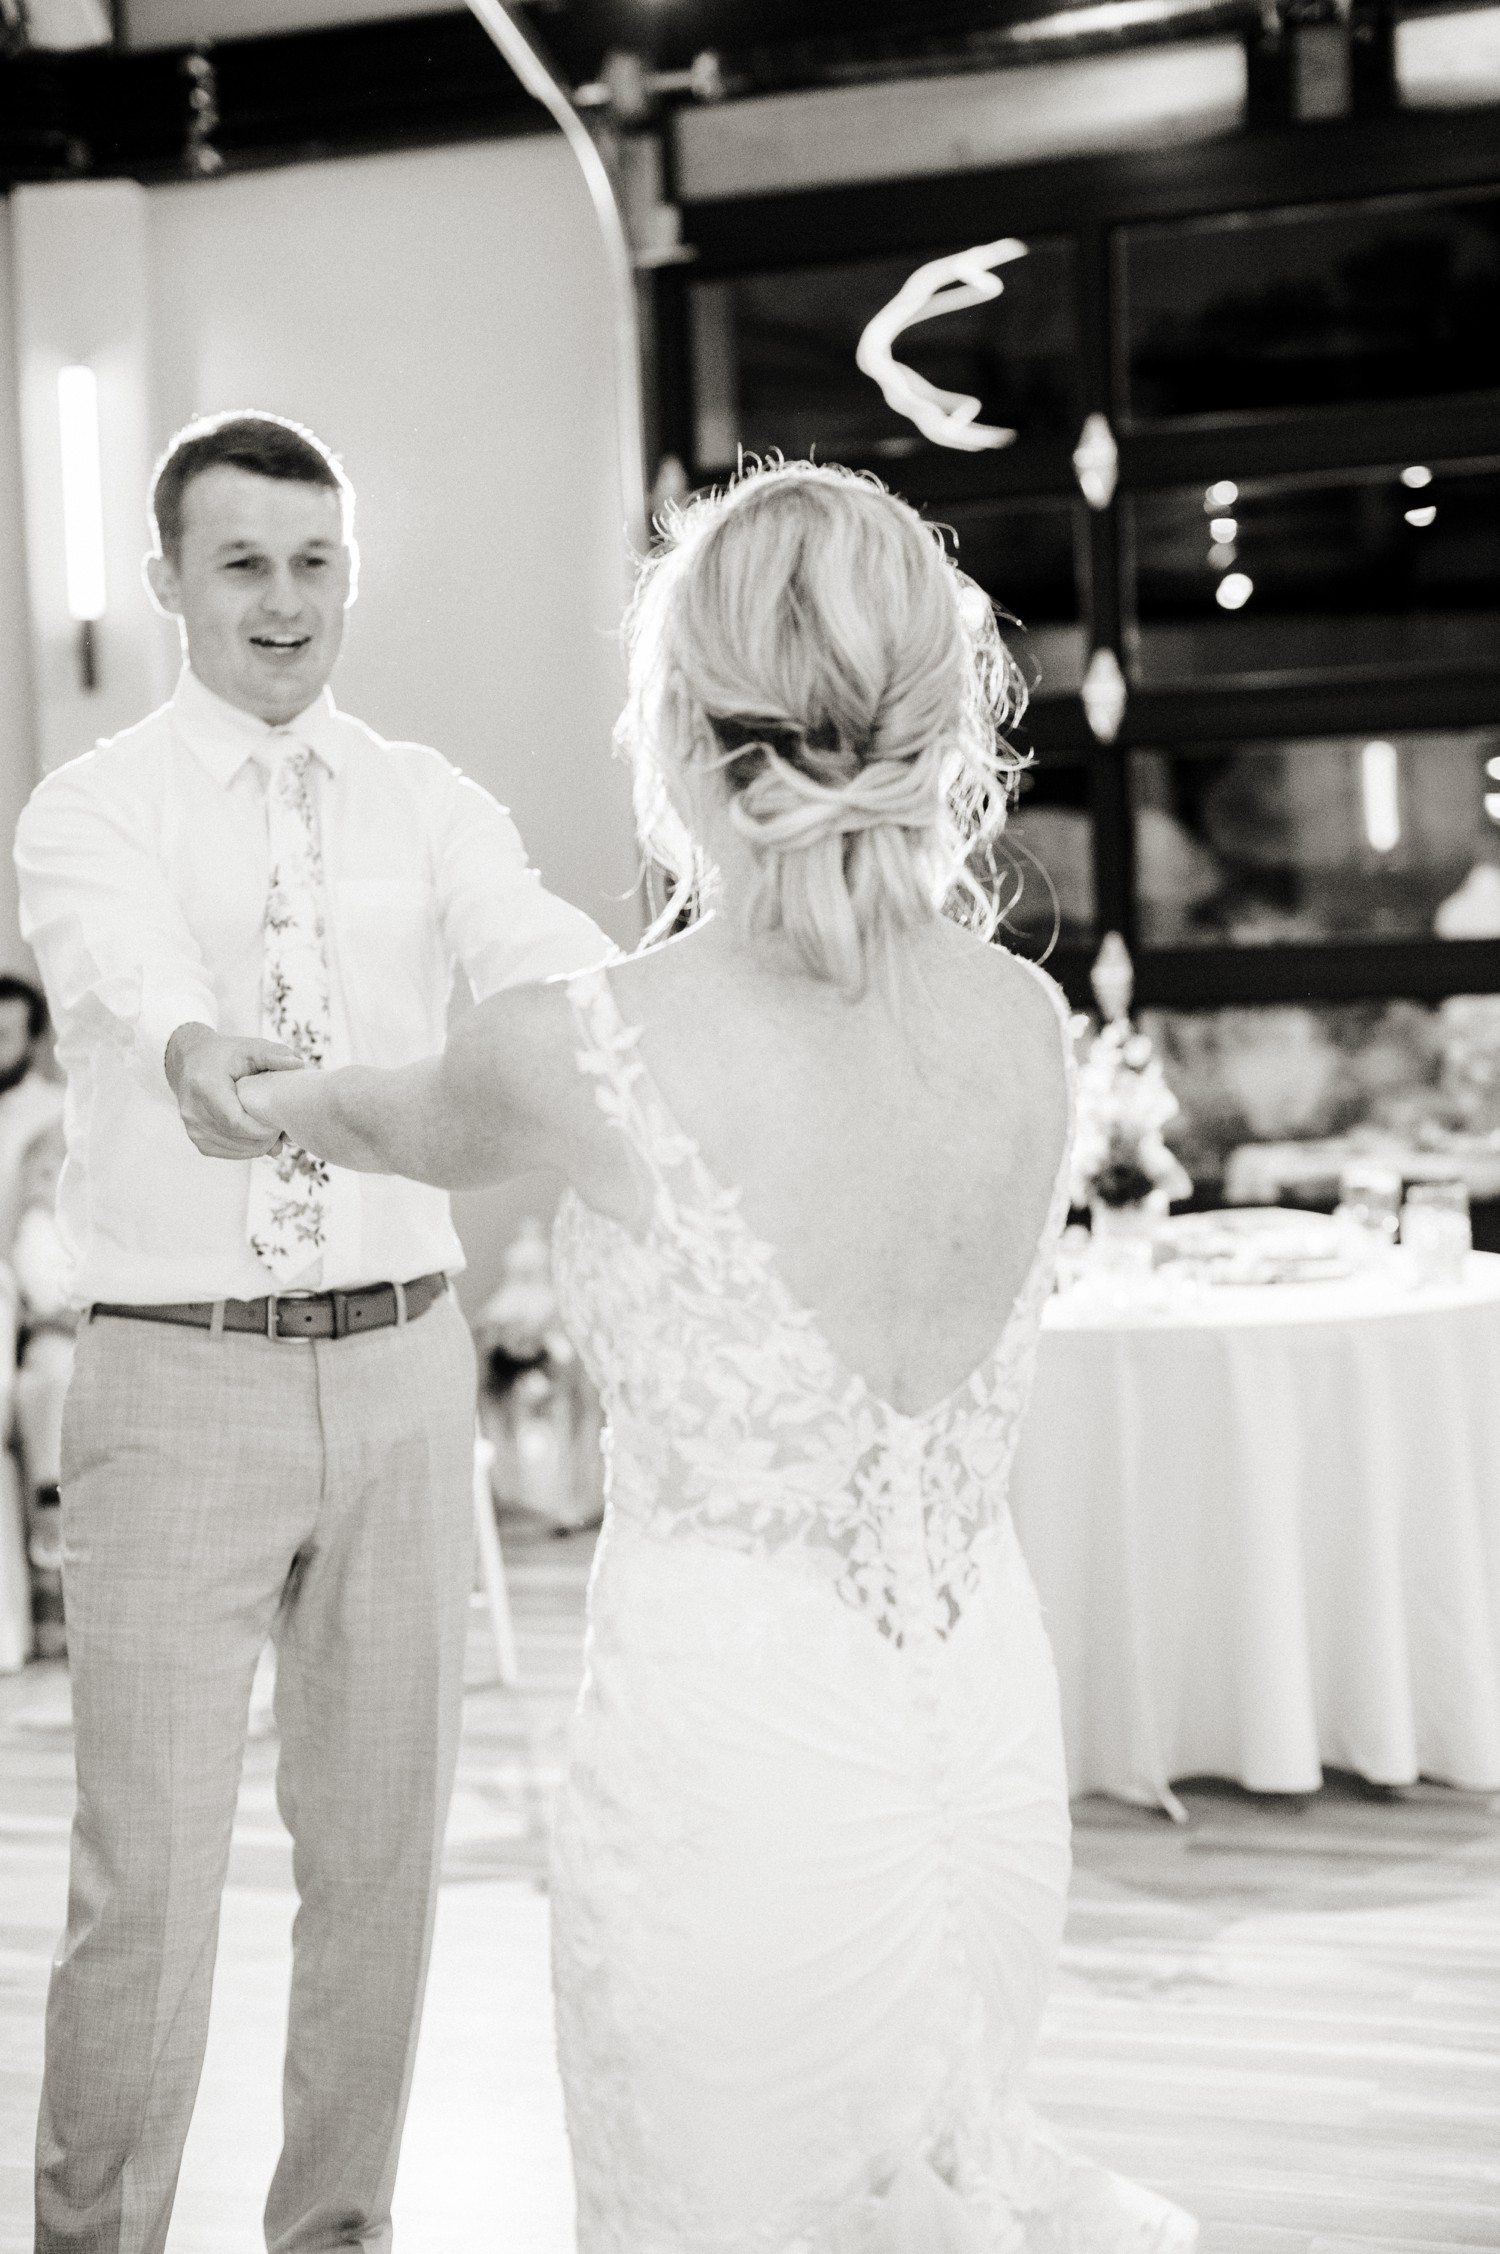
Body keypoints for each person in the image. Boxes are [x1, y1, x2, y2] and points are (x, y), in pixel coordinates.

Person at [222, 461, 1198, 2250]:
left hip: (730, 1780)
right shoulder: (1028, 1021)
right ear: (930, 706)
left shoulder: (590, 1044)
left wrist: (237, 1080)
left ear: (681, 724)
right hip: (978, 1744)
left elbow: (375, 1113)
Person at [13, 409, 610, 2254]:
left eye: (315, 559)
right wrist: (206, 1057)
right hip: (173, 1371)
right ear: (170, 581)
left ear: (353, 571)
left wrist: (651, 1008)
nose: (285, 598)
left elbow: (538, 958)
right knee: (151, 1881)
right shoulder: (90, 804)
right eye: (245, 561)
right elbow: (145, 991)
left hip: (404, 1360)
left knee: (378, 1870)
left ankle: (334, 2230)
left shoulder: (436, 801)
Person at [0, 971, 71, 1669]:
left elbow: (46, 1229)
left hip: (45, 1310)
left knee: (49, 1380)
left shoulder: (57, 1117)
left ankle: (57, 1584)